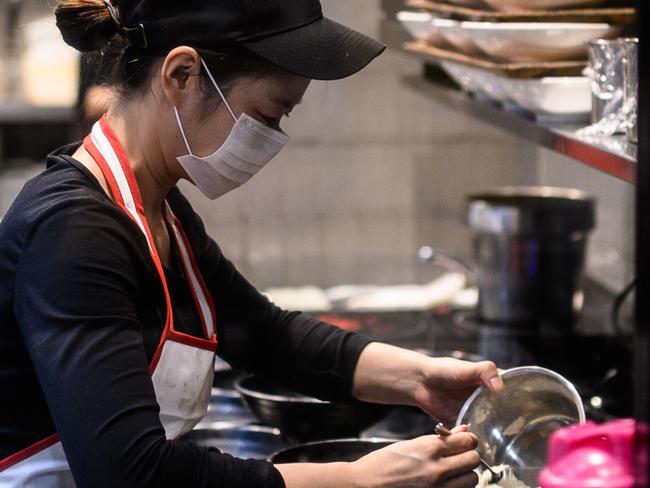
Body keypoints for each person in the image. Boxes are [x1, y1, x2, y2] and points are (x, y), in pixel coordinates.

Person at [0, 0, 504, 486]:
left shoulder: (160, 208)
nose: (272, 138)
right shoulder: (74, 233)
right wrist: (359, 478)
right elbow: (128, 474)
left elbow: (265, 336)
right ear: (181, 76)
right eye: (268, 114)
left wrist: (419, 379)